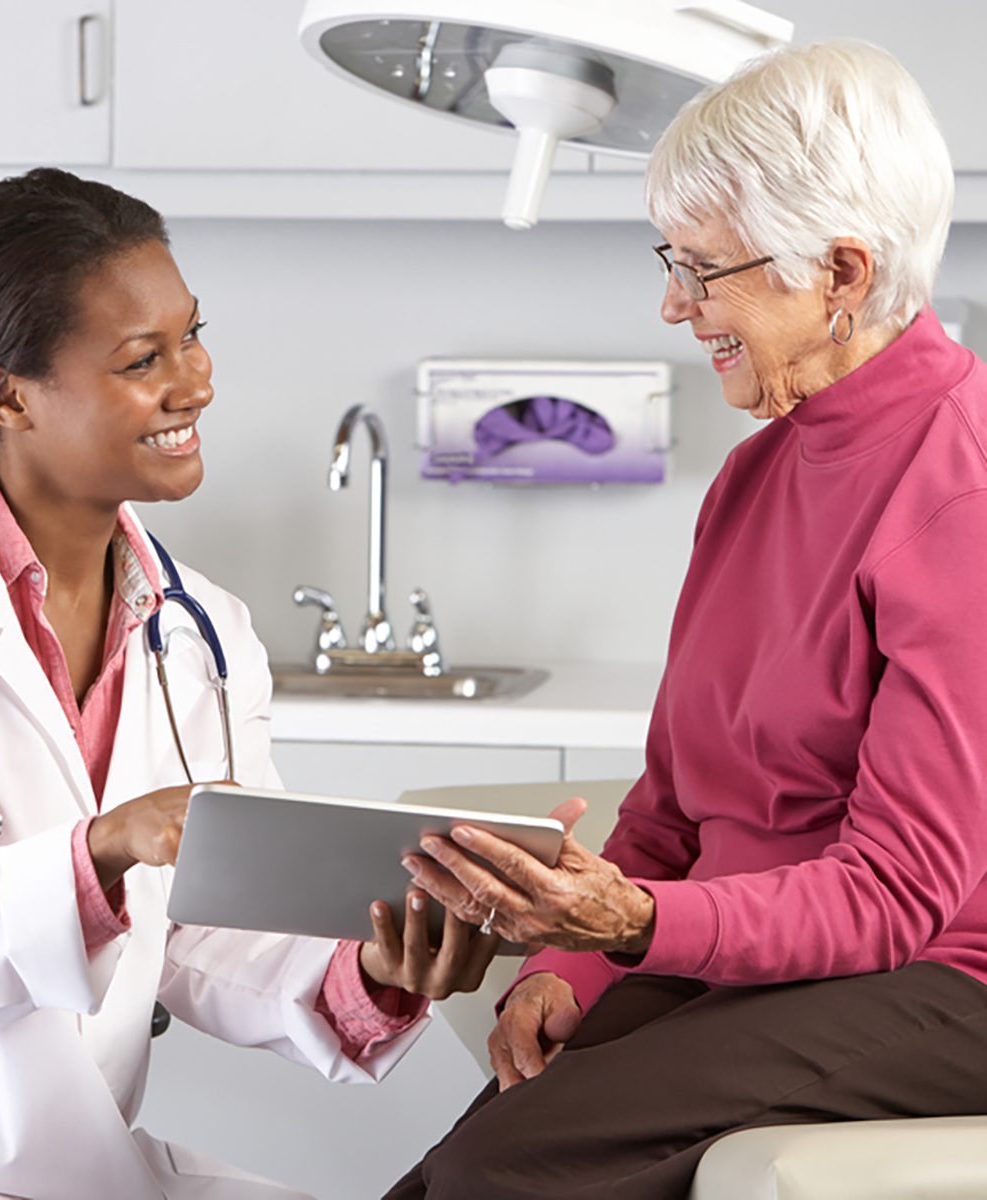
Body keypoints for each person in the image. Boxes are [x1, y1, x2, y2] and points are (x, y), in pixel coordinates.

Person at [0, 168, 498, 1199]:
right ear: (6, 396)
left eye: (193, 337)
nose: (195, 382)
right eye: (142, 359)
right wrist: (111, 848)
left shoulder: (202, 632)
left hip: (82, 1157)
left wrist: (375, 973)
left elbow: (211, 930)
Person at [386, 39, 987, 1200]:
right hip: (776, 957)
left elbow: (896, 894)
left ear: (843, 273)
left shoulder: (962, 492)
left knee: (496, 1177)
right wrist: (569, 959)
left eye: (704, 269)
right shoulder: (756, 478)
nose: (673, 304)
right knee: (438, 1179)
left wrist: (632, 921)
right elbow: (668, 806)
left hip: (941, 974)